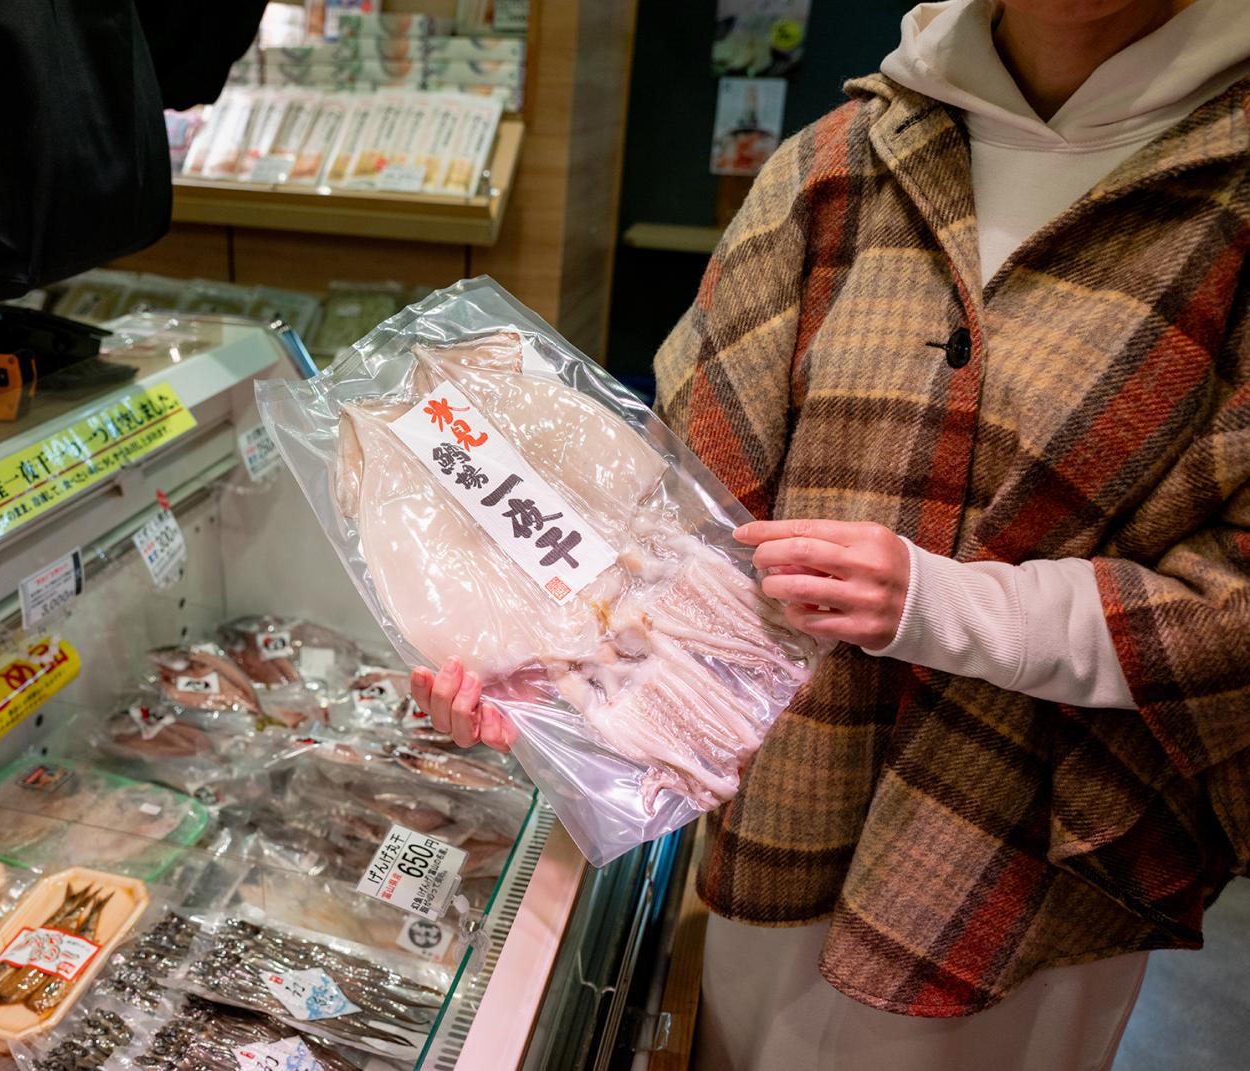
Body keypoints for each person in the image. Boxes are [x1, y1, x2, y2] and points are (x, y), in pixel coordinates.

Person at [410, 0, 1250, 1066]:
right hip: (782, 797)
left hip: (1034, 861)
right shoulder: (834, 164)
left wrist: (948, 606)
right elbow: (677, 498)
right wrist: (542, 672)